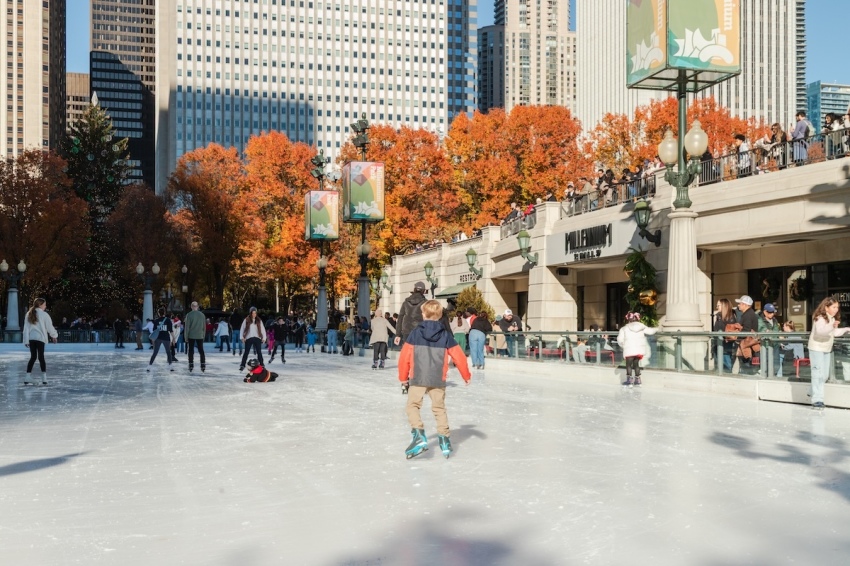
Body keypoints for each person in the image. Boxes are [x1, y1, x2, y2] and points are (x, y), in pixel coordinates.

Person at [398, 300, 471, 459]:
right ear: (439, 316)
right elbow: (459, 356)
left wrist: (403, 378)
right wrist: (466, 376)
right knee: (439, 409)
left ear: (423, 314)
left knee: (412, 406)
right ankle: (444, 439)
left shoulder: (415, 333)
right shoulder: (445, 334)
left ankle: (418, 434)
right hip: (438, 377)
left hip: (418, 376)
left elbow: (404, 357)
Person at [807, 296, 850, 409]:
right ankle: (817, 400)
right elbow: (821, 331)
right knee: (818, 374)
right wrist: (832, 326)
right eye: (834, 307)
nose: (836, 309)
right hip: (816, 348)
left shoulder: (831, 318)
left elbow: (833, 333)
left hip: (826, 348)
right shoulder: (819, 318)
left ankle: (812, 390)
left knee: (824, 375)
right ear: (826, 307)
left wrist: (846, 329)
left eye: (837, 307)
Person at [22, 298, 58, 386]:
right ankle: (44, 377)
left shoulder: (29, 314)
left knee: (33, 357)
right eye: (44, 304)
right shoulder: (44, 314)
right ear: (40, 305)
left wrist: (26, 340)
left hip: (32, 339)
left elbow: (26, 329)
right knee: (41, 357)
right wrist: (54, 336)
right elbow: (49, 327)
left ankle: (27, 376)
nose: (45, 306)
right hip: (40, 338)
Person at [617, 312, 658, 387]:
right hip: (638, 350)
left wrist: (623, 345)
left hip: (629, 349)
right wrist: (658, 329)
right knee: (636, 365)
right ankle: (638, 380)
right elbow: (651, 331)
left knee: (628, 365)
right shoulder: (642, 327)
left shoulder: (624, 328)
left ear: (628, 320)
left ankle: (629, 381)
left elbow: (620, 339)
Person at [394, 281, 428, 346]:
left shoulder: (406, 302)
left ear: (414, 290)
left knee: (407, 352)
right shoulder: (425, 303)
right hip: (420, 331)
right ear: (423, 291)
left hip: (406, 331)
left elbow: (400, 317)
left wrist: (398, 334)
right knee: (419, 353)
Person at [734, 295, 760, 375]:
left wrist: (737, 338)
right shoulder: (750, 314)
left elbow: (746, 330)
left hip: (747, 346)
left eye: (740, 303)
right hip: (749, 344)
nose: (738, 305)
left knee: (746, 368)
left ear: (745, 305)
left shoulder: (747, 315)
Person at [712, 298, 739, 373]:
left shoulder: (731, 317)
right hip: (718, 343)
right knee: (719, 365)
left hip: (726, 344)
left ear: (724, 306)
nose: (717, 307)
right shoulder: (719, 316)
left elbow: (729, 332)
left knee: (726, 365)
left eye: (718, 305)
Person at [148, 307, 176, 372]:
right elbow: (171, 330)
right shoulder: (168, 320)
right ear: (164, 313)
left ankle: (149, 366)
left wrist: (153, 340)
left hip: (158, 338)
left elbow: (154, 331)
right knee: (168, 352)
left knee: (155, 352)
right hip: (166, 338)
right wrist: (173, 338)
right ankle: (170, 366)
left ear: (158, 313)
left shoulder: (156, 321)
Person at [757, 303, 782, 377]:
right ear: (765, 312)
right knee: (766, 363)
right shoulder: (760, 320)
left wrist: (775, 334)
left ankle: (774, 375)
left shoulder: (775, 320)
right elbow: (763, 331)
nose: (772, 314)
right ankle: (766, 376)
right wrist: (772, 333)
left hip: (775, 344)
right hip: (766, 346)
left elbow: (776, 330)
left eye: (773, 312)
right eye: (770, 312)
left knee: (776, 363)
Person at [239, 307, 267, 371]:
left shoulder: (259, 320)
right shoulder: (246, 320)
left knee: (259, 352)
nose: (254, 314)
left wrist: (264, 337)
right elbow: (242, 329)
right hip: (249, 338)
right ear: (250, 313)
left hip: (257, 338)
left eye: (255, 313)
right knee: (246, 352)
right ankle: (242, 365)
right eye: (252, 313)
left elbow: (262, 329)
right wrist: (242, 337)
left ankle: (262, 364)